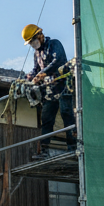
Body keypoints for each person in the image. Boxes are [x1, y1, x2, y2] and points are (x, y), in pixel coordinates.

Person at [21, 24, 75, 159]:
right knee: (47, 119)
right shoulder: (37, 53)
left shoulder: (54, 44)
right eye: (30, 43)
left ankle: (73, 148)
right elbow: (35, 69)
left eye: (33, 41)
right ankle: (44, 151)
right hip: (50, 90)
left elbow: (59, 61)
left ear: (40, 35)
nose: (33, 45)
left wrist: (42, 74)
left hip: (64, 86)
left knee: (67, 114)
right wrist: (29, 76)